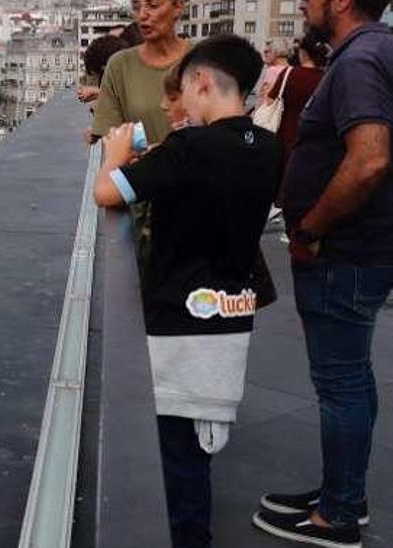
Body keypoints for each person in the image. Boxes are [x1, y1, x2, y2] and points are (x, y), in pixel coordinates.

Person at [92, 35, 278, 547]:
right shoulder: (266, 146)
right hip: (230, 323)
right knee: (195, 457)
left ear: (199, 82)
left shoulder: (190, 147)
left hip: (179, 327)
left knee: (178, 469)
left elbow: (107, 192)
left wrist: (113, 154)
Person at [255, 0, 393, 543]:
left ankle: (337, 516)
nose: (302, 4)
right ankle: (344, 493)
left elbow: (370, 159)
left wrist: (310, 229)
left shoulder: (361, 60)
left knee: (340, 384)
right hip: (359, 251)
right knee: (353, 379)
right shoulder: (370, 52)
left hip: (344, 253)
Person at [90, 0, 190, 145]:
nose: (142, 15)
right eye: (136, 7)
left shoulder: (203, 58)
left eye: (153, 5)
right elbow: (108, 140)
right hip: (142, 167)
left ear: (178, 6)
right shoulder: (120, 66)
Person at [263, 32, 330, 200]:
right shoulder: (327, 78)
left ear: (303, 52)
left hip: (286, 139)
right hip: (315, 142)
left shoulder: (289, 74)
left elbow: (270, 100)